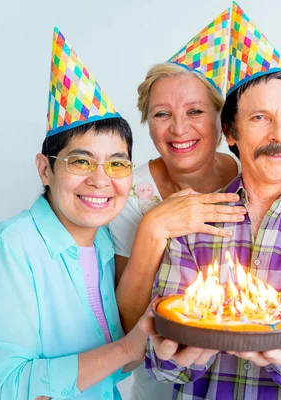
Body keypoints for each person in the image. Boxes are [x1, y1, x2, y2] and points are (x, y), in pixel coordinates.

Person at [141, 4, 281, 398]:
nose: (280, 134)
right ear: (231, 131)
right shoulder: (193, 220)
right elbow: (163, 357)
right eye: (261, 118)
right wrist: (168, 355)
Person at [0, 28, 146, 399]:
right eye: (81, 161)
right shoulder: (10, 247)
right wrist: (128, 348)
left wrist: (158, 345)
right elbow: (4, 388)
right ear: (45, 170)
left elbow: (110, 364)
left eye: (117, 164)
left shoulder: (107, 244)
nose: (101, 180)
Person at [110, 10, 245, 399]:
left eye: (195, 112)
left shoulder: (250, 171)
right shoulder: (129, 190)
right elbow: (122, 322)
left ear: (223, 122)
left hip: (248, 374)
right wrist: (154, 229)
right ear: (148, 124)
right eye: (162, 115)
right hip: (163, 380)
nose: (179, 129)